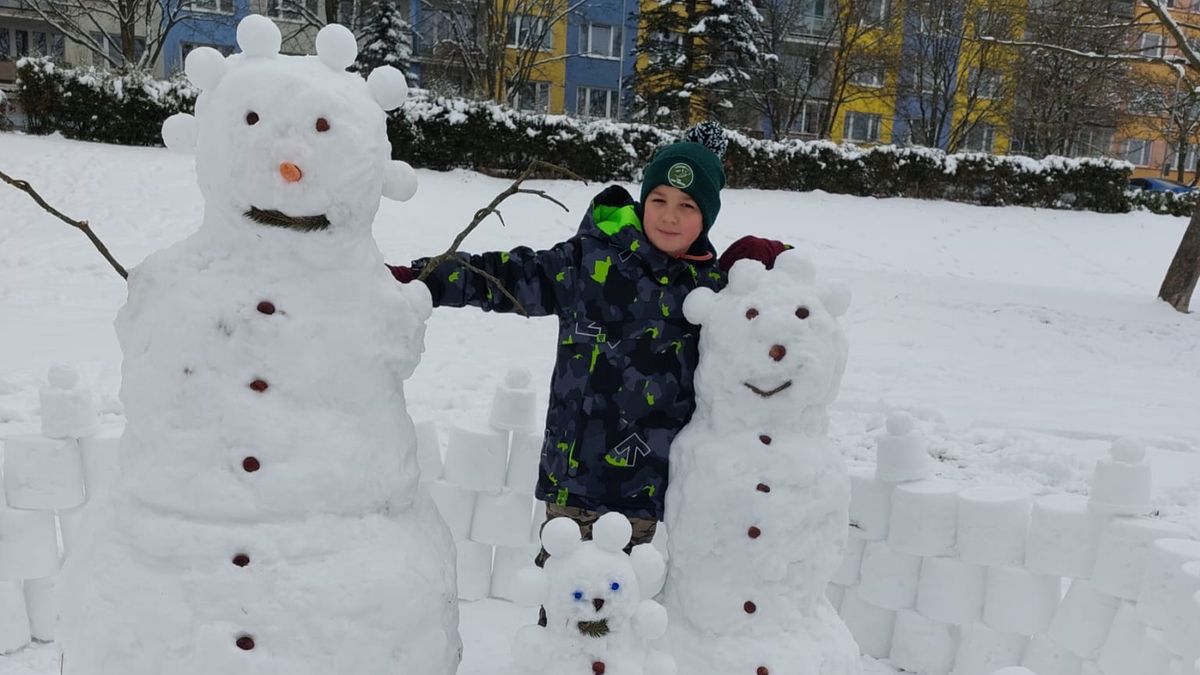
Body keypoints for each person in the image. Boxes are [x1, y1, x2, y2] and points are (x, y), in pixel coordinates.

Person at [387, 124, 787, 598]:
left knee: (619, 610)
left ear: (707, 218)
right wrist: (423, 277)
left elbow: (775, 337)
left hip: (645, 488)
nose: (669, 217)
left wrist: (763, 266)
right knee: (564, 600)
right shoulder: (588, 261)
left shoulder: (709, 291)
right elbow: (507, 275)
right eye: (658, 199)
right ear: (642, 201)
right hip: (574, 480)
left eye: (688, 206)